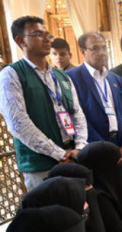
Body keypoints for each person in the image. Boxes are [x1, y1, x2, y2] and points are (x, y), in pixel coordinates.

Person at [0, 16, 88, 190]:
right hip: (41, 163)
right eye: (37, 34)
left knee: (79, 212)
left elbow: (77, 113)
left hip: (73, 155)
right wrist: (59, 154)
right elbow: (18, 124)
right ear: (21, 41)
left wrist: (80, 146)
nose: (47, 39)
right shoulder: (12, 74)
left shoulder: (61, 76)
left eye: (47, 34)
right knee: (51, 214)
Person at [67, 32, 122, 162]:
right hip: (92, 147)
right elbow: (75, 116)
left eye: (104, 48)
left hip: (120, 145)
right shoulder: (71, 78)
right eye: (95, 48)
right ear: (83, 52)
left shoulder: (116, 79)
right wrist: (102, 147)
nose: (102, 52)